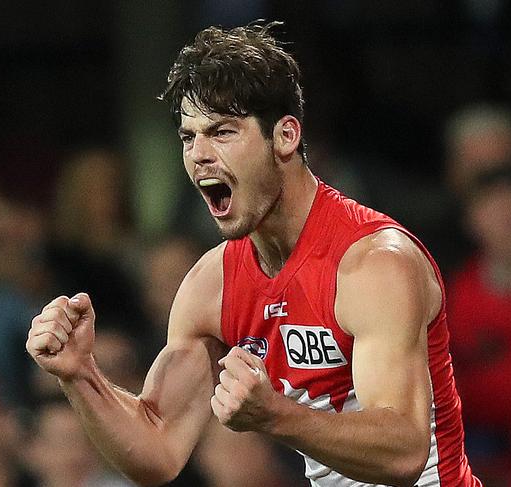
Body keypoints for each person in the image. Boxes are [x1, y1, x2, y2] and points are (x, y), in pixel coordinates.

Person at [26, 22, 481, 487]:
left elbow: (404, 451)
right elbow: (158, 449)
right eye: (189, 137)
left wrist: (276, 415)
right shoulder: (212, 285)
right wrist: (80, 375)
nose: (199, 155)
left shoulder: (374, 263)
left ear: (284, 136)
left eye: (222, 132)